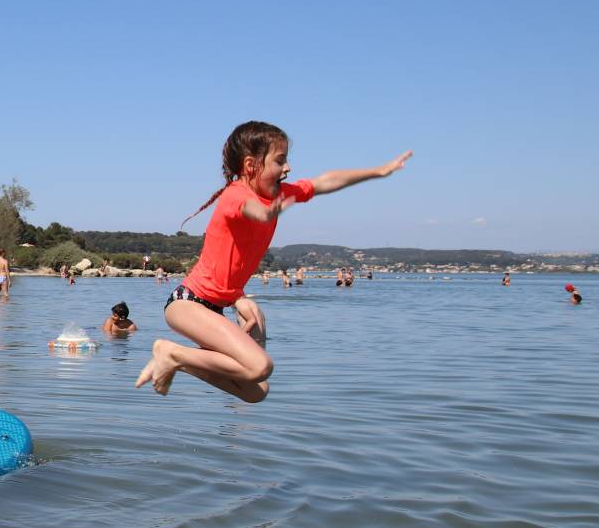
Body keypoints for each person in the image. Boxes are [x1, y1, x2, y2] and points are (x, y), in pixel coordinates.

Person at [136, 121, 411, 403]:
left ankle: (179, 361)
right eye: (280, 160)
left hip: (214, 308)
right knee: (260, 366)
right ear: (251, 165)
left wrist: (379, 171)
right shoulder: (235, 194)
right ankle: (171, 352)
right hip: (188, 303)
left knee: (256, 390)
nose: (288, 168)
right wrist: (267, 213)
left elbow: (324, 182)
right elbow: (250, 209)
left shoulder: (277, 194)